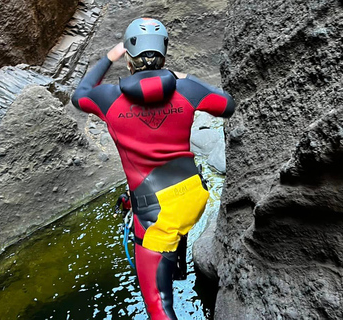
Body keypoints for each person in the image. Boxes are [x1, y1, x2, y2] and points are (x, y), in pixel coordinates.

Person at [71, 17, 235, 320]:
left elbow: (79, 93)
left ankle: (169, 265)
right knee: (173, 231)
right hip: (193, 195)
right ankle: (177, 264)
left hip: (154, 211)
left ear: (129, 62)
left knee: (158, 307)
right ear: (164, 55)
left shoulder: (107, 98)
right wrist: (180, 77)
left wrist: (110, 56)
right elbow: (227, 104)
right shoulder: (186, 90)